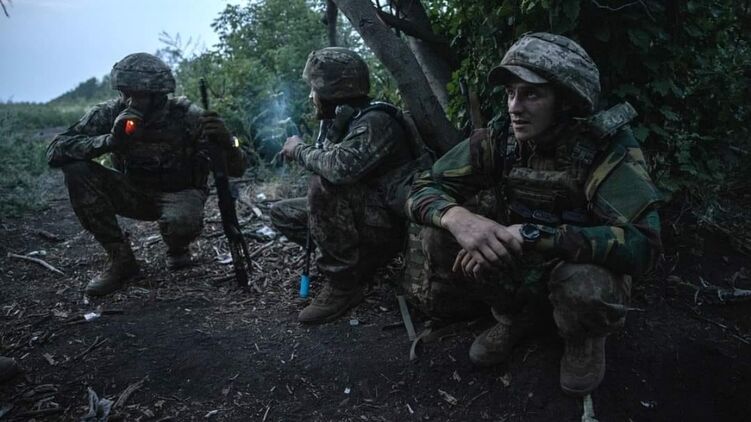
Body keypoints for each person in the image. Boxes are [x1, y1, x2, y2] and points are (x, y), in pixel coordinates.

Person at [405, 32, 662, 395]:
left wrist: (534, 235)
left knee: (585, 285)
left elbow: (643, 244)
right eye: (511, 93)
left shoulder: (605, 148)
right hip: (522, 262)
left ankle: (583, 338)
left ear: (566, 100)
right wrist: (459, 219)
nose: (515, 106)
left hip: (575, 266)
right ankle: (515, 317)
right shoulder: (500, 139)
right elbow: (421, 187)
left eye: (531, 94)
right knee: (440, 233)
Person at [47, 53, 245, 297]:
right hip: (133, 191)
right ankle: (121, 260)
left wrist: (228, 142)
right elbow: (55, 151)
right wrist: (110, 141)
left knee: (181, 222)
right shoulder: (111, 113)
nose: (130, 101)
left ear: (158, 95)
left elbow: (237, 169)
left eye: (138, 95)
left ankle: (178, 247)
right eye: (125, 93)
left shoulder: (187, 116)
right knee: (77, 170)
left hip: (179, 193)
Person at [272, 47, 422, 324]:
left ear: (332, 91)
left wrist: (299, 150)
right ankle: (359, 263)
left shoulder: (375, 121)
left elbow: (339, 169)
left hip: (392, 223)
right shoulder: (344, 120)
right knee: (283, 213)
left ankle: (343, 284)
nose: (311, 96)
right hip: (367, 215)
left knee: (323, 185)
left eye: (314, 89)